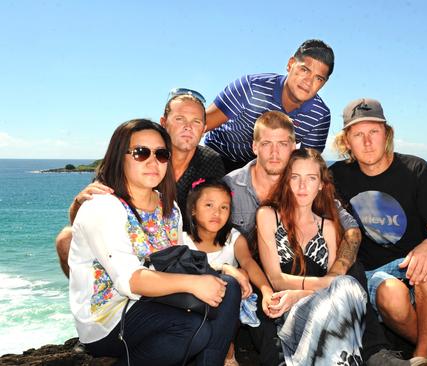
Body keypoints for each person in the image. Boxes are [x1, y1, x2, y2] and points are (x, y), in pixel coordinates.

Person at [225, 110, 408, 365]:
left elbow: (352, 233)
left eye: (282, 145)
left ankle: (373, 352)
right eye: (267, 144)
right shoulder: (236, 190)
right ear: (255, 146)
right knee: (344, 287)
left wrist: (327, 281)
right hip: (262, 283)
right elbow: (217, 239)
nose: (275, 153)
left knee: (349, 276)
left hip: (311, 295)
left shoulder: (328, 221)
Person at [68, 119, 240, 365]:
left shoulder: (168, 208)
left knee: (229, 287)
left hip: (155, 301)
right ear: (120, 157)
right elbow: (129, 281)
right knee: (191, 328)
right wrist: (194, 284)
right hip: (109, 318)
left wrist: (222, 271)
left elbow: (179, 260)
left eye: (161, 154)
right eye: (140, 153)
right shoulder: (104, 207)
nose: (153, 162)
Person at [330, 98, 427, 366]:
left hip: (422, 278)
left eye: (374, 132)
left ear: (386, 134)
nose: (367, 142)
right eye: (358, 134)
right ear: (346, 141)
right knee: (390, 293)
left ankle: (422, 355)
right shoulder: (337, 176)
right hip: (375, 278)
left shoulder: (416, 170)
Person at [56, 88, 224, 277]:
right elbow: (85, 221)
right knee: (66, 239)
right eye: (179, 119)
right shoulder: (128, 162)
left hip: (182, 245)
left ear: (204, 128)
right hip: (131, 243)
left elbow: (217, 213)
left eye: (196, 121)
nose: (188, 127)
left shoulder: (211, 161)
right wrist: (79, 203)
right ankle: (91, 301)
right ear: (163, 123)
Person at [256, 148, 368, 365]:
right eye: (295, 177)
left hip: (316, 308)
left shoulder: (328, 226)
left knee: (346, 288)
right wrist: (324, 283)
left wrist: (300, 294)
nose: (302, 186)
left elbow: (332, 290)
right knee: (345, 287)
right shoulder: (268, 216)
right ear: (286, 180)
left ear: (321, 184)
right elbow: (276, 279)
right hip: (285, 311)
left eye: (311, 178)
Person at [204, 39, 334, 173]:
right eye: (304, 70)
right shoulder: (251, 87)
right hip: (216, 155)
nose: (308, 81)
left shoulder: (320, 115)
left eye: (318, 78)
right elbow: (203, 123)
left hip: (261, 170)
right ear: (290, 64)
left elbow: (306, 164)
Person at [184, 177, 275, 366]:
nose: (217, 212)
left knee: (240, 288)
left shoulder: (233, 238)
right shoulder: (182, 240)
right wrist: (227, 269)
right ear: (193, 209)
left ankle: (229, 348)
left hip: (227, 312)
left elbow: (248, 263)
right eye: (209, 205)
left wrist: (266, 290)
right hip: (191, 308)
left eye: (224, 207)